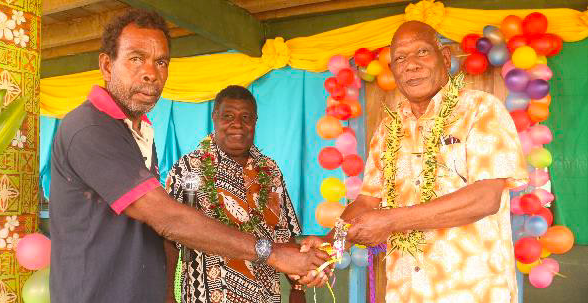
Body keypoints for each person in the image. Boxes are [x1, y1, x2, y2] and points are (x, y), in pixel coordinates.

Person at [49, 9, 327, 303]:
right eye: (136, 58)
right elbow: (166, 220)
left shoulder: (140, 131)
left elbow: (281, 232)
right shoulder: (91, 129)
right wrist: (272, 253)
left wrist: (295, 271)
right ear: (107, 65)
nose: (150, 72)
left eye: (161, 62)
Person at [324, 21, 528, 302]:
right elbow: (368, 201)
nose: (410, 65)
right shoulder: (388, 129)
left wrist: (391, 221)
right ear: (394, 70)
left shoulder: (481, 110)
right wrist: (329, 245)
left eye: (421, 52)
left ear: (444, 58)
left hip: (472, 290)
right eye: (400, 58)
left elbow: (485, 198)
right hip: (406, 292)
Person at [166, 85, 309, 303]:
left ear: (255, 121)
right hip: (207, 297)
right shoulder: (188, 169)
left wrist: (298, 289)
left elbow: (284, 234)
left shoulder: (271, 171)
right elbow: (169, 236)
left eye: (246, 117)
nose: (237, 125)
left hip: (265, 296)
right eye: (228, 116)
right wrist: (168, 297)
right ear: (214, 117)